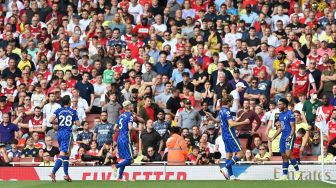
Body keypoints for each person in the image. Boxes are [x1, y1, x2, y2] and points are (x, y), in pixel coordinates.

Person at [206, 95, 249, 180]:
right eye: (232, 101)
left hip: (225, 136)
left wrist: (211, 117)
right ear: (229, 102)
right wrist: (244, 122)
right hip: (230, 135)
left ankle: (231, 176)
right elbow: (232, 124)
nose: (233, 103)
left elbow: (218, 121)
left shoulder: (221, 110)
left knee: (228, 155)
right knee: (240, 154)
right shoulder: (227, 111)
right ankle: (226, 168)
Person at [48, 95, 80, 182]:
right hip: (67, 133)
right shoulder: (73, 111)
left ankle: (66, 175)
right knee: (63, 153)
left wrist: (60, 122)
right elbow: (78, 123)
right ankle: (53, 172)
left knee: (66, 154)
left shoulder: (58, 110)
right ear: (69, 102)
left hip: (59, 133)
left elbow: (50, 121)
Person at [268, 98, 301, 180]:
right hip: (283, 136)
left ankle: (297, 171)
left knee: (288, 154)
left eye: (280, 104)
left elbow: (293, 128)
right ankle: (285, 175)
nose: (278, 106)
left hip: (289, 136)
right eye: (278, 104)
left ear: (285, 105)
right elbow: (281, 128)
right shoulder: (280, 114)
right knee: (283, 155)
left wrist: (289, 137)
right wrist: (273, 137)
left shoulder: (291, 114)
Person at [112, 101, 143, 182]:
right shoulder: (130, 115)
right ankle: (116, 166)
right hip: (126, 138)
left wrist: (122, 130)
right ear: (128, 106)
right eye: (131, 105)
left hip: (119, 138)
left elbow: (115, 128)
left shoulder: (120, 116)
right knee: (130, 160)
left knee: (126, 159)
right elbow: (130, 127)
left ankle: (120, 177)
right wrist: (138, 129)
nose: (132, 106)